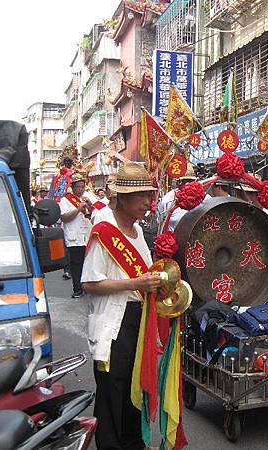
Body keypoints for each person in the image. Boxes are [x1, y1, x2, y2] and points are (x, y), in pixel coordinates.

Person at [81, 162, 161, 450]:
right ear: (122, 198)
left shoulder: (139, 232)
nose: (147, 202)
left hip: (139, 318)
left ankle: (133, 442)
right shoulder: (104, 232)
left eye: (149, 195)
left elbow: (147, 275)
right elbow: (89, 284)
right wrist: (135, 284)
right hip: (114, 322)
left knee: (134, 385)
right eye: (141, 196)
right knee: (112, 388)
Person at [59, 172, 93, 298]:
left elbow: (95, 215)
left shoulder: (86, 198)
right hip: (75, 238)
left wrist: (90, 206)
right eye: (78, 187)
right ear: (72, 187)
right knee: (76, 264)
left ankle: (87, 287)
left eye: (82, 187)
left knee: (88, 263)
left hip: (87, 236)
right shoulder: (65, 200)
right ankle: (77, 289)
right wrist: (78, 209)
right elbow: (64, 217)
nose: (80, 189)